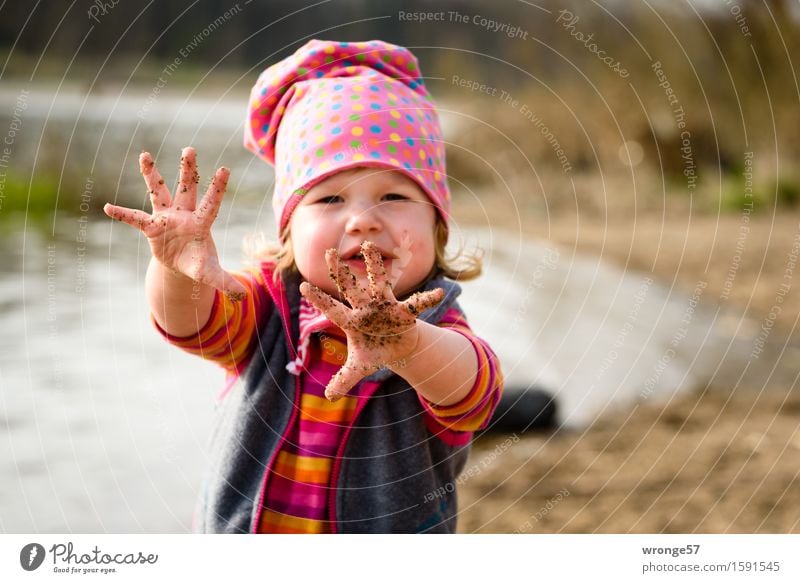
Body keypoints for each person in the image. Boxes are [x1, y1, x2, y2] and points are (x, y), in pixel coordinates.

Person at [104, 39, 503, 533]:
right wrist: (174, 270)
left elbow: (476, 395)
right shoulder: (270, 304)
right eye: (331, 197)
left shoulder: (434, 319)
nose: (362, 220)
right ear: (289, 229)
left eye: (394, 195)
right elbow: (191, 326)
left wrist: (409, 345)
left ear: (437, 225)